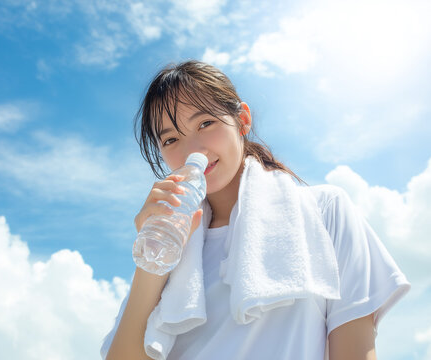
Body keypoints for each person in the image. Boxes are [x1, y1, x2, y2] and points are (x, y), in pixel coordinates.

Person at [101, 60, 411, 360]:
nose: (193, 150)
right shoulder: (168, 247)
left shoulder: (324, 211)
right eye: (170, 139)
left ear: (242, 120)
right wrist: (152, 260)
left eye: (205, 123)